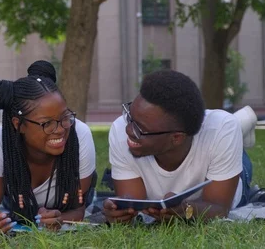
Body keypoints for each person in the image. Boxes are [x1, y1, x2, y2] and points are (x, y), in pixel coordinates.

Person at [103, 70, 253, 223]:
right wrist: (121, 212)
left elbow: (220, 209)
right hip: (208, 139)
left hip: (220, 150)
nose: (128, 129)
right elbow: (133, 206)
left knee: (234, 145)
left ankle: (240, 126)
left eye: (140, 129)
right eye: (130, 116)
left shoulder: (222, 129)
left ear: (176, 138)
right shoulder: (121, 130)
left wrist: (188, 209)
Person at [0, 60, 96, 232]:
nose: (60, 130)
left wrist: (61, 219)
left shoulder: (79, 134)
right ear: (18, 124)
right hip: (14, 205)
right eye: (47, 123)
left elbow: (78, 210)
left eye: (65, 117)